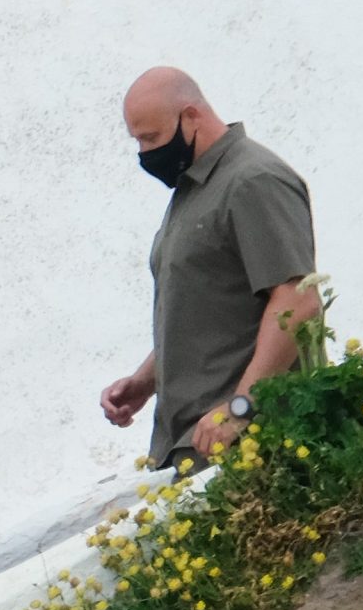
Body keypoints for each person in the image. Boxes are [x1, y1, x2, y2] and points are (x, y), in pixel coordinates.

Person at [101, 67, 322, 470]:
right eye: (138, 141)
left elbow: (298, 302)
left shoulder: (253, 180)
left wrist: (240, 409)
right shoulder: (194, 188)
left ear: (191, 116)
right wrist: (144, 381)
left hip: (247, 446)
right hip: (189, 444)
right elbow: (204, 306)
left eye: (151, 138)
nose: (145, 154)